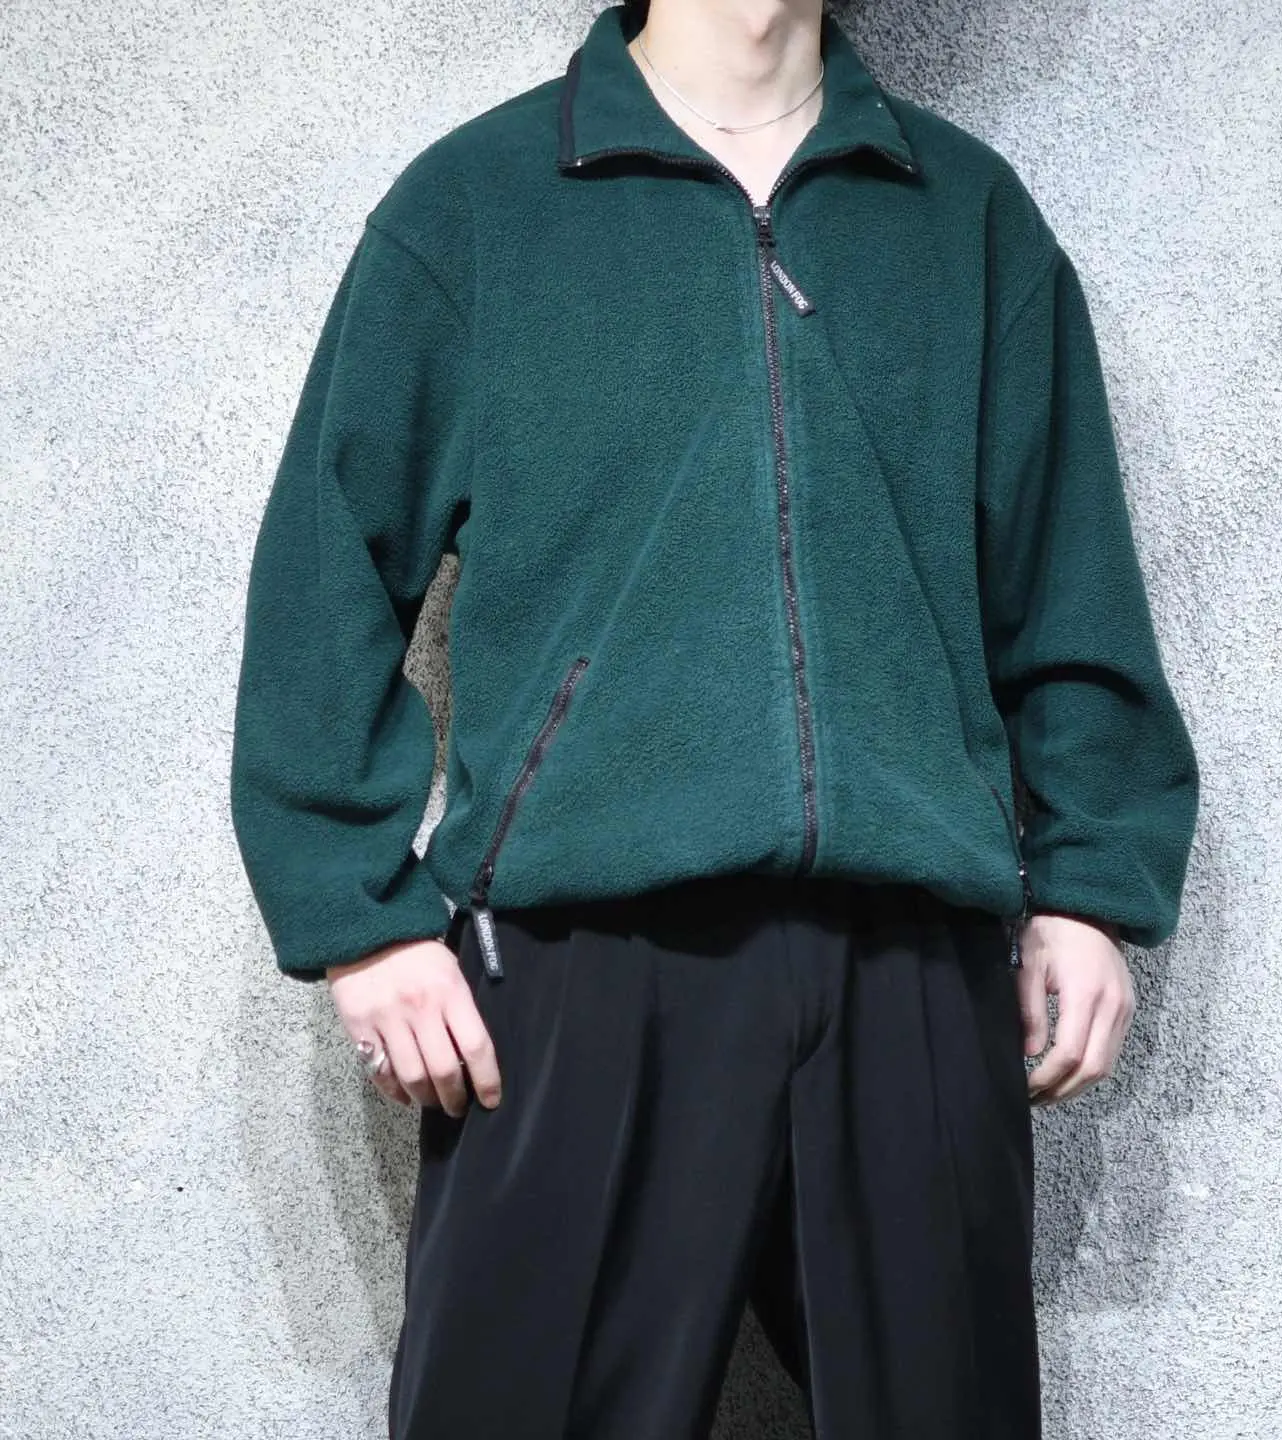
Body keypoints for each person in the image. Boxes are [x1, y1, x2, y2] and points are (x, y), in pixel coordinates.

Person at [229, 0, 1201, 1434]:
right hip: (579, 964)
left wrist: (1089, 889)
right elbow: (326, 578)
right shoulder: (480, 207)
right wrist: (359, 919)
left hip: (914, 968)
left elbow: (1070, 582)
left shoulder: (967, 217)